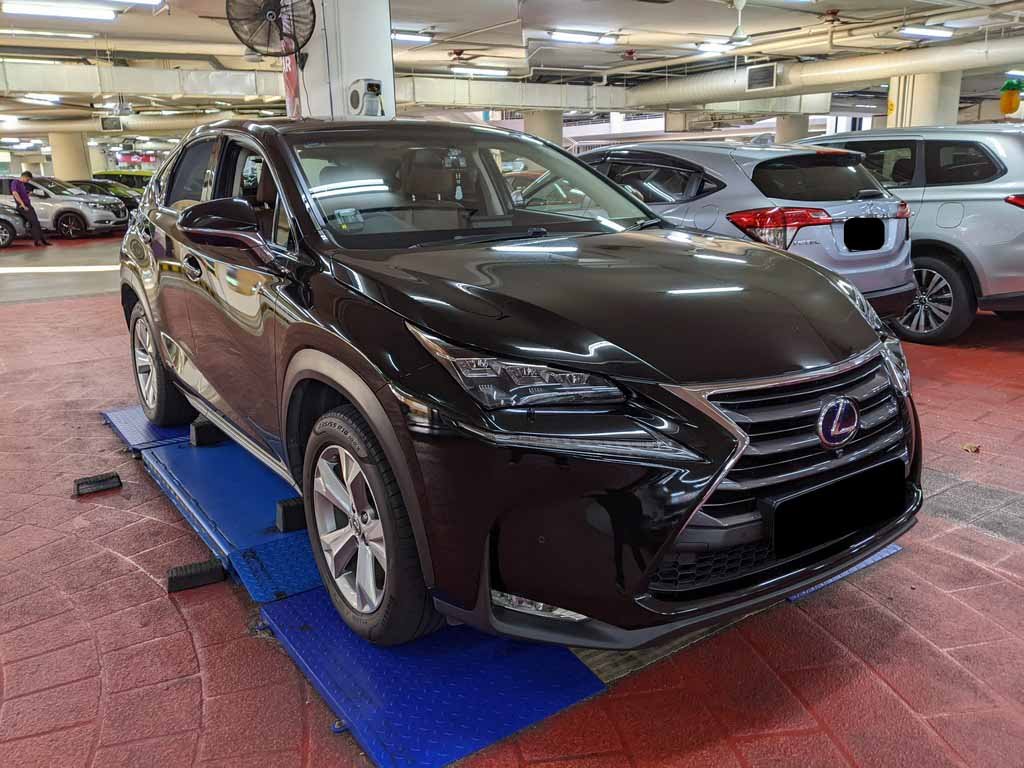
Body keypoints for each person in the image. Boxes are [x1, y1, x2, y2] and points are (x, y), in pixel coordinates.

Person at [11, 170, 50, 246]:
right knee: (34, 222)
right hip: (23, 206)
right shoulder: (15, 182)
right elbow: (15, 194)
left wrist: (29, 194)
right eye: (28, 179)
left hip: (28, 205)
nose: (28, 181)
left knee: (36, 222)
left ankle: (42, 240)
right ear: (24, 177)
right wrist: (23, 205)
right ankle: (38, 241)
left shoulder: (22, 184)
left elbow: (23, 194)